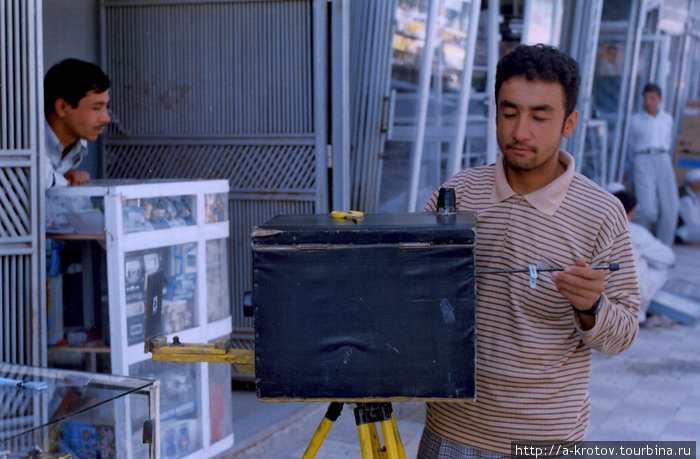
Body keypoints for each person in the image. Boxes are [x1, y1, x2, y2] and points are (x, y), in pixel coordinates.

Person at [418, 44, 640, 458]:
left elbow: (624, 332)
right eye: (509, 113)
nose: (520, 132)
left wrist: (591, 307)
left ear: (569, 122)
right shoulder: (458, 194)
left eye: (540, 117)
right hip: (451, 431)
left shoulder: (601, 213)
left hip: (546, 440)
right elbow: (411, 297)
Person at [44, 58, 111, 188]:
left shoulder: (78, 146)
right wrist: (65, 182)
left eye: (106, 107)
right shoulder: (25, 144)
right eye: (96, 108)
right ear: (62, 107)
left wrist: (64, 178)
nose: (106, 118)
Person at [613, 190, 675, 324]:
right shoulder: (635, 231)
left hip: (600, 294)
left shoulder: (593, 226)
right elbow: (668, 258)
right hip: (630, 297)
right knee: (655, 265)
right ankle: (639, 311)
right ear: (630, 213)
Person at [628, 83, 679, 246]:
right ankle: (624, 229)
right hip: (643, 158)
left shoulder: (667, 119)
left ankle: (664, 247)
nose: (649, 102)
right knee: (648, 209)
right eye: (646, 98)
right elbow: (629, 145)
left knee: (670, 207)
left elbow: (669, 141)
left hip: (663, 158)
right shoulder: (636, 120)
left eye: (652, 98)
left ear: (660, 100)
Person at [676, 168, 700, 244]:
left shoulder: (693, 196)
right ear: (693, 184)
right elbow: (692, 222)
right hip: (682, 232)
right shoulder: (685, 198)